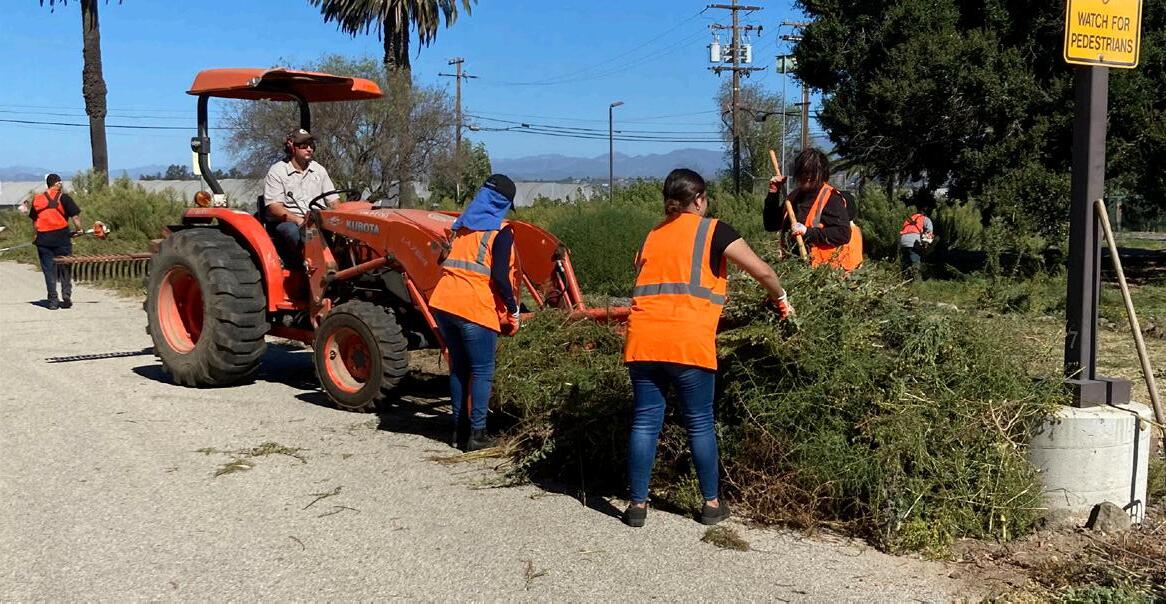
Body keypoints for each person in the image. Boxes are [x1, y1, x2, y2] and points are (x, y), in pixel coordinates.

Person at [621, 168, 794, 528]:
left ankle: (637, 506)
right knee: (699, 422)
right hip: (687, 342)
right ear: (699, 200)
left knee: (645, 420)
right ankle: (711, 504)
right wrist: (781, 298)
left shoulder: (652, 234)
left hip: (643, 340)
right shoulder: (714, 230)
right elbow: (762, 271)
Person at [427, 174, 522, 452]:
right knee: (482, 371)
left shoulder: (462, 225)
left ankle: (458, 432)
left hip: (444, 304)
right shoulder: (501, 231)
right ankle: (477, 435)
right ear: (502, 204)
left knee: (459, 368)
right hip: (473, 307)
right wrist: (513, 309)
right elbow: (501, 277)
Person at [763, 148, 863, 272]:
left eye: (812, 173)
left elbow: (843, 234)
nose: (807, 177)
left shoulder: (831, 198)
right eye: (803, 172)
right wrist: (773, 192)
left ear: (821, 174)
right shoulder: (793, 197)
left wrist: (807, 232)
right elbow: (771, 225)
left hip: (823, 272)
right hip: (794, 269)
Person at [262, 129, 339, 256]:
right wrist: (300, 221)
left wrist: (340, 221)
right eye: (304, 145)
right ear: (292, 148)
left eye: (311, 145)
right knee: (294, 231)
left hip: (316, 219)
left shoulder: (319, 170)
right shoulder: (277, 171)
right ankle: (309, 262)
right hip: (289, 221)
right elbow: (275, 208)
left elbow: (334, 201)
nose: (309, 149)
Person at [27, 173, 83, 310]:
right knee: (65, 267)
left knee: (48, 270)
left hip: (43, 239)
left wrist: (35, 236)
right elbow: (75, 218)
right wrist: (79, 230)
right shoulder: (64, 198)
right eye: (60, 183)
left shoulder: (38, 199)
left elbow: (35, 221)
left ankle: (53, 301)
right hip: (62, 238)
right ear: (57, 183)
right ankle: (66, 295)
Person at [899, 209, 934, 279]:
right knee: (915, 263)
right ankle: (916, 281)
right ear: (925, 214)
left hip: (902, 241)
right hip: (913, 242)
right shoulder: (925, 219)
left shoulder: (910, 219)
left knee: (905, 264)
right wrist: (926, 245)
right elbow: (929, 231)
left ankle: (904, 280)